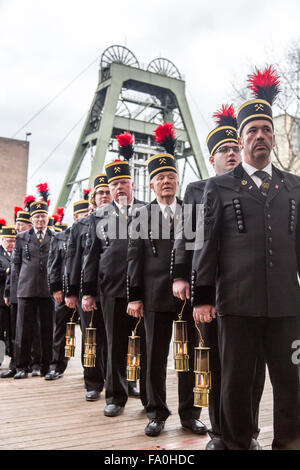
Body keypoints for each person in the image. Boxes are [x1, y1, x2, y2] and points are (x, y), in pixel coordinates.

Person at [191, 66, 300, 450]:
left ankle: (288, 444)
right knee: (236, 385)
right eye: (251, 130)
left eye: (265, 129)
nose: (260, 136)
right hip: (237, 305)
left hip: (287, 307)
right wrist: (202, 296)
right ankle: (236, 444)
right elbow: (207, 246)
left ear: (273, 137)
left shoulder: (293, 186)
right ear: (241, 139)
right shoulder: (218, 188)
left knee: (291, 384)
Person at [173, 105, 265, 450]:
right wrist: (182, 276)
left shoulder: (261, 185)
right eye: (224, 151)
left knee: (252, 367)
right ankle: (219, 432)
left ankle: (249, 432)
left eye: (234, 149)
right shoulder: (198, 190)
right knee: (213, 361)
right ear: (212, 158)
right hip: (212, 287)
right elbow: (187, 236)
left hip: (250, 290)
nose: (231, 154)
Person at [127, 122, 207, 437]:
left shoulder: (192, 212)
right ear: (152, 185)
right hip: (154, 297)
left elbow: (200, 253)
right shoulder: (140, 215)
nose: (166, 182)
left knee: (186, 357)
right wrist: (134, 296)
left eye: (171, 177)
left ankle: (190, 415)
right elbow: (134, 258)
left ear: (178, 181)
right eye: (160, 178)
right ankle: (156, 413)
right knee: (154, 359)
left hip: (187, 298)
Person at [81, 140, 147, 417]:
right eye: (115, 183)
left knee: (146, 345)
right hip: (111, 290)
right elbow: (91, 257)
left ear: (132, 185)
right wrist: (87, 292)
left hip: (144, 291)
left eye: (124, 182)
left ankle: (148, 396)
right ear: (110, 188)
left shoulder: (148, 211)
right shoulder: (99, 216)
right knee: (115, 344)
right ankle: (115, 397)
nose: (120, 187)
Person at [64, 176, 111, 401]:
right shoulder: (80, 225)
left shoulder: (123, 219)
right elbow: (73, 260)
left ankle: (120, 382)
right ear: (93, 197)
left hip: (114, 289)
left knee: (116, 338)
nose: (104, 195)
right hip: (87, 290)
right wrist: (72, 292)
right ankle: (93, 382)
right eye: (100, 192)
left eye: (107, 191)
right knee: (92, 338)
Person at [13, 199, 55, 379]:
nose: (40, 220)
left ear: (48, 218)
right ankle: (22, 367)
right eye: (37, 216)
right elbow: (16, 264)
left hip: (47, 290)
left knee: (46, 330)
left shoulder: (55, 236)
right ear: (32, 219)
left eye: (43, 216)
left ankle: (43, 366)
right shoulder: (22, 237)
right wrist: (16, 289)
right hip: (27, 289)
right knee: (23, 330)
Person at [46, 205, 83, 380]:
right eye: (82, 213)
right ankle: (56, 366)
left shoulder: (96, 233)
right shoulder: (60, 237)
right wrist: (56, 288)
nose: (86, 216)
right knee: (60, 330)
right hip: (64, 291)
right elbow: (53, 265)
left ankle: (93, 371)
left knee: (90, 331)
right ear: (75, 216)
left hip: (86, 292)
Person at [1, 208, 37, 378]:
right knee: (16, 333)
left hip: (29, 293)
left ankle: (28, 364)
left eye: (21, 224)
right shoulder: (19, 242)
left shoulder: (31, 242)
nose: (17, 227)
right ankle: (16, 365)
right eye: (16, 224)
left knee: (27, 332)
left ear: (29, 225)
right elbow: (13, 271)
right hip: (16, 293)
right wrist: (8, 292)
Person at [0, 225, 16, 366]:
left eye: (13, 240)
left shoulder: (16, 253)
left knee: (13, 331)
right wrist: (7, 270)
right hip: (0, 300)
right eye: (9, 240)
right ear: (2, 239)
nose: (11, 244)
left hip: (13, 299)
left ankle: (13, 358)